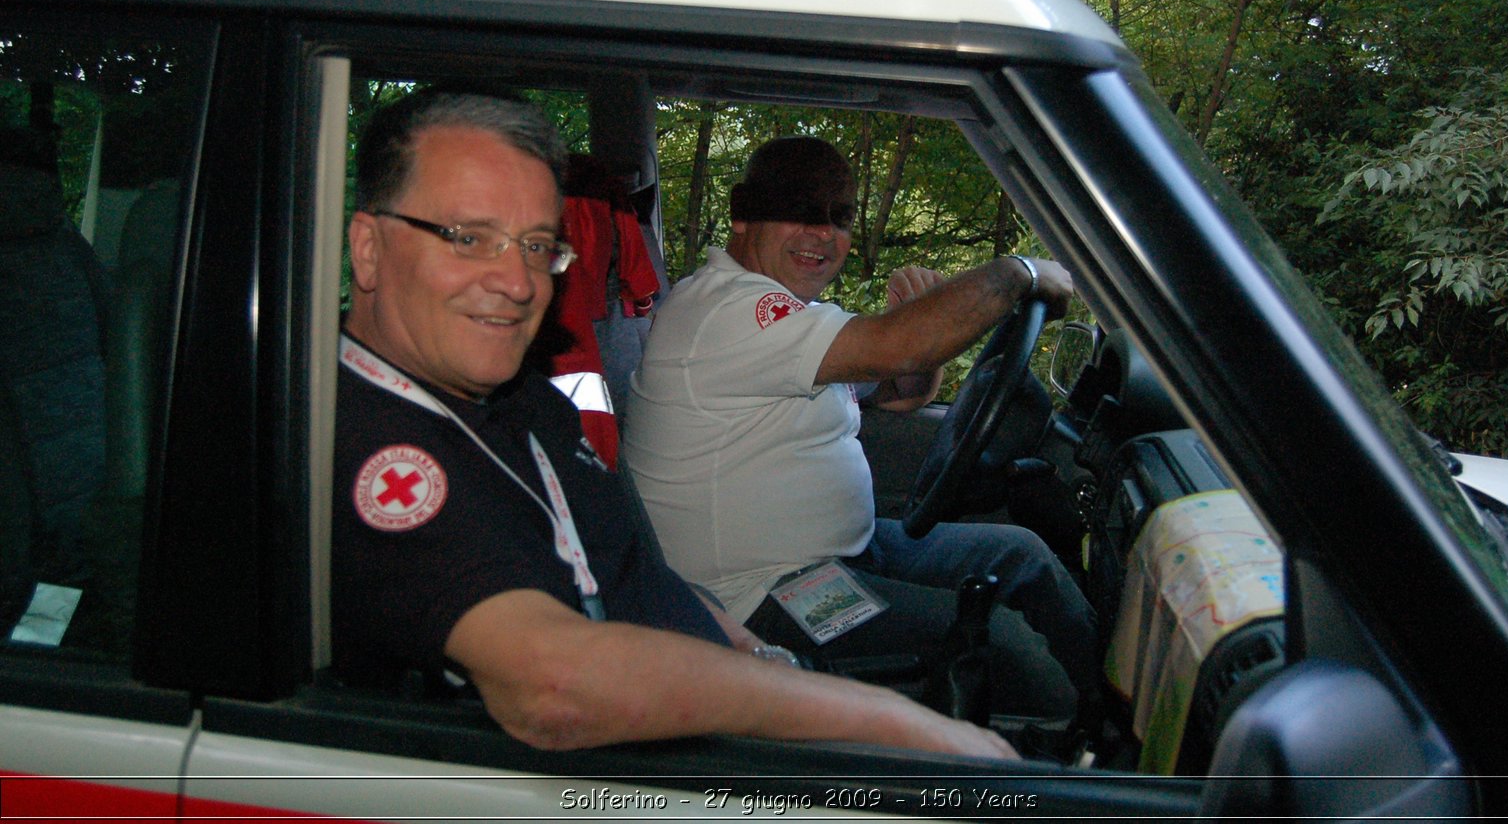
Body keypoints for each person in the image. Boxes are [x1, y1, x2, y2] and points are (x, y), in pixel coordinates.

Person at [331, 90, 1014, 758]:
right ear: (367, 248)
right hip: (645, 761)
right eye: (468, 237)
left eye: (537, 246)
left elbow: (637, 570)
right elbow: (556, 686)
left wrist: (759, 655)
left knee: (1013, 564)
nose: (517, 281)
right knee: (1011, 660)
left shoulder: (521, 402)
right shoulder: (373, 447)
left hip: (728, 654)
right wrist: (889, 722)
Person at [625, 136, 1101, 720]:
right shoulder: (731, 310)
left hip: (849, 550)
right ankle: (1076, 764)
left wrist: (917, 352)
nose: (823, 233)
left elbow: (899, 393)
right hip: (761, 595)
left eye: (839, 217)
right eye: (799, 211)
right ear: (743, 215)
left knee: (1020, 554)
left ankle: (1117, 711)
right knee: (1002, 644)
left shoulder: (782, 312)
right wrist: (1018, 272)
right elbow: (895, 349)